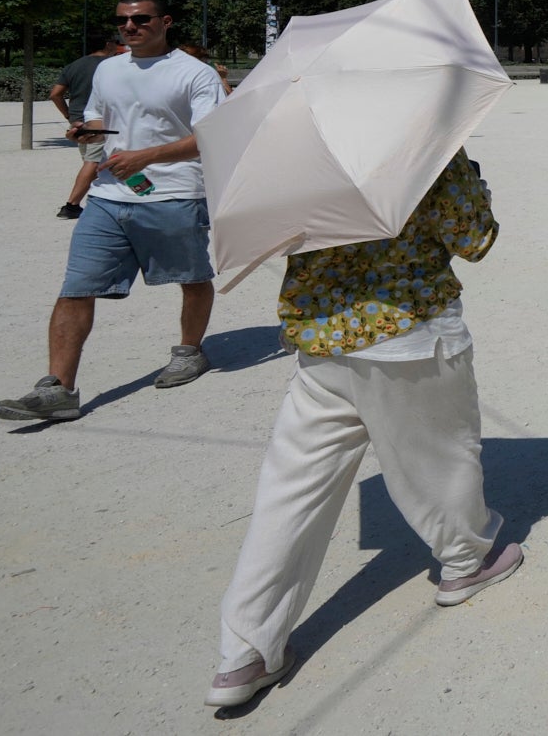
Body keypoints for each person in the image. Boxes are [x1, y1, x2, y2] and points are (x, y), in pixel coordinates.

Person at [206, 147, 520, 707]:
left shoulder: (290, 150)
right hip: (406, 332)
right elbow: (476, 239)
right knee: (440, 462)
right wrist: (471, 177)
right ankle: (466, 560)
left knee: (291, 492)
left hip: (320, 337)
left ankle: (245, 651)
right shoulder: (421, 141)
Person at [0, 0, 225, 423]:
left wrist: (147, 156)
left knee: (192, 278)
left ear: (165, 22)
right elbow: (100, 117)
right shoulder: (108, 68)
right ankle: (59, 388)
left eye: (141, 19)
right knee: (76, 287)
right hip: (108, 195)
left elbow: (209, 137)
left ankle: (189, 351)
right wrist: (86, 132)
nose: (130, 26)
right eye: (123, 21)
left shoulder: (195, 73)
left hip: (174, 194)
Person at [50, 33, 127, 220]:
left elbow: (55, 94)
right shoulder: (113, 66)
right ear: (108, 43)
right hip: (101, 122)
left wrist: (68, 115)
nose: (118, 46)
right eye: (116, 43)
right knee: (94, 163)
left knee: (104, 161)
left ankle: (139, 192)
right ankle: (71, 206)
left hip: (77, 121)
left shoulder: (74, 65)